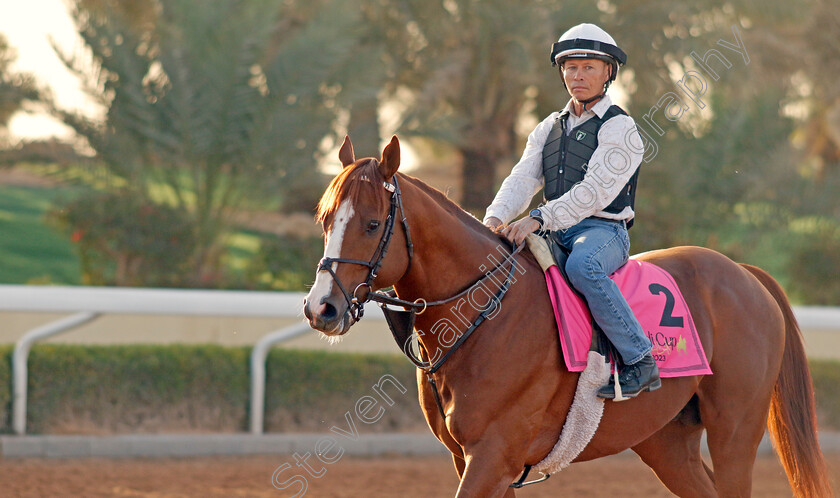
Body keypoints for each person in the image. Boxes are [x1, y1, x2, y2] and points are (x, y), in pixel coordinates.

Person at [483, 23, 659, 399]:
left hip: (602, 231)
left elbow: (594, 192)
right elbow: (522, 178)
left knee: (583, 267)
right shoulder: (548, 126)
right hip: (553, 228)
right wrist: (493, 220)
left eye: (588, 67)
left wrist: (538, 218)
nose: (578, 76)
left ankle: (639, 360)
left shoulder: (621, 129)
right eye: (570, 68)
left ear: (608, 72)